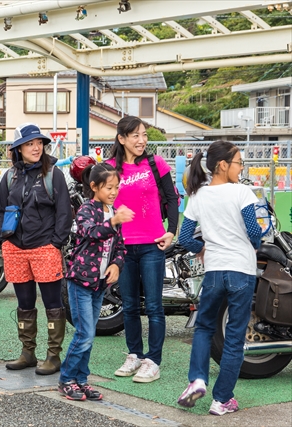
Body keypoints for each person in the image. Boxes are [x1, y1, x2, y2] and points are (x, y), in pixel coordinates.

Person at [177, 141, 261, 416]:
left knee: (204, 327)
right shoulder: (241, 192)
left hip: (213, 271)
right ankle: (222, 400)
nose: (241, 168)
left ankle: (197, 379)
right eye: (239, 162)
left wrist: (201, 249)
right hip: (241, 270)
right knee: (234, 337)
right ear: (223, 165)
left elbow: (185, 237)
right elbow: (254, 231)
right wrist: (256, 242)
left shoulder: (198, 195)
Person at [0, 123, 73, 375]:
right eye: (29, 144)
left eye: (39, 143)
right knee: (24, 302)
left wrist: (55, 242)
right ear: (18, 149)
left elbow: (64, 212)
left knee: (52, 303)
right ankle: (28, 352)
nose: (36, 147)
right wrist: (5, 239)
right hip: (15, 248)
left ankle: (53, 355)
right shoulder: (9, 176)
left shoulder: (53, 174)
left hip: (45, 247)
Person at [105, 116, 178, 383]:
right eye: (135, 135)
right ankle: (135, 354)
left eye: (144, 135)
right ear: (121, 138)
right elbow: (102, 204)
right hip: (123, 247)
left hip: (152, 245)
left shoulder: (155, 164)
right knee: (130, 305)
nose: (142, 140)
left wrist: (171, 230)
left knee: (155, 306)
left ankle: (153, 361)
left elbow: (172, 198)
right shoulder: (110, 168)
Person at [58, 163, 133, 400]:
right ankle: (66, 379)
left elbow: (120, 247)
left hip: (100, 284)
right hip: (80, 281)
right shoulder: (86, 210)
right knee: (85, 334)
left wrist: (116, 265)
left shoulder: (114, 212)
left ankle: (81, 380)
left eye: (116, 187)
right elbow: (91, 232)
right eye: (109, 187)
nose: (114, 192)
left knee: (88, 336)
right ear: (94, 187)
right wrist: (114, 221)